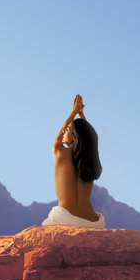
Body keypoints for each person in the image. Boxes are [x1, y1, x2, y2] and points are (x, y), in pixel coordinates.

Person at [42, 94, 105, 228]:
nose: (65, 132)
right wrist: (81, 115)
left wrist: (74, 112)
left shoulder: (60, 152)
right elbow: (90, 140)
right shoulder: (89, 161)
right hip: (92, 222)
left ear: (75, 138)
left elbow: (60, 135)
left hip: (65, 218)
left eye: (69, 130)